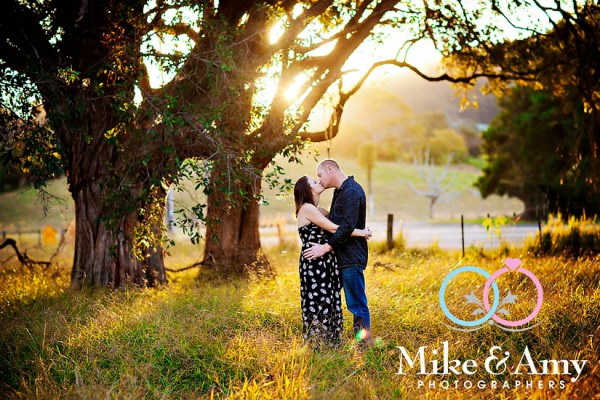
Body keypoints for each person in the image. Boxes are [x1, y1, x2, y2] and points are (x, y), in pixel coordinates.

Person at [294, 175, 372, 348]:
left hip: (326, 262)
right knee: (318, 300)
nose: (319, 181)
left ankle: (330, 342)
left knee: (330, 299)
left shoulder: (319, 211)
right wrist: (363, 232)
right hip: (314, 263)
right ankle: (318, 343)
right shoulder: (307, 208)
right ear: (307, 190)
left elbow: (343, 226)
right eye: (314, 182)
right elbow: (334, 228)